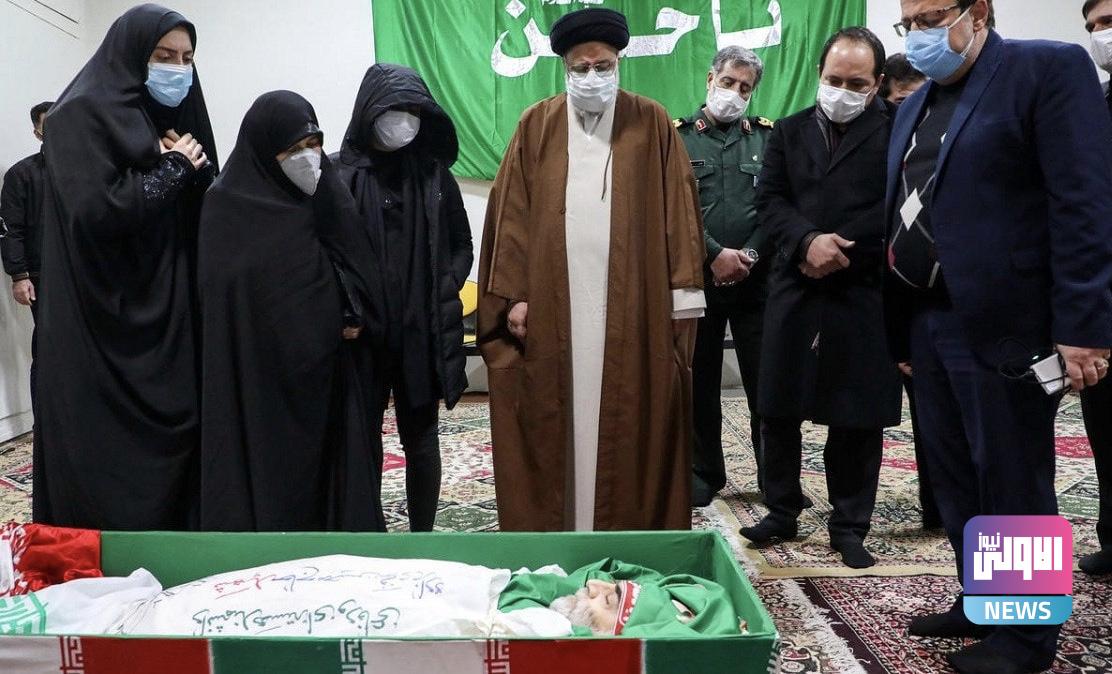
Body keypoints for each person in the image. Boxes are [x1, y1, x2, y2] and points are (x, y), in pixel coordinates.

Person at [886, 1, 1112, 671]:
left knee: (1011, 475)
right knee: (954, 475)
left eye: (930, 16)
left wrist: (1084, 324)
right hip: (928, 321)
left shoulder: (1045, 71)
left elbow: (1083, 200)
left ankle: (1025, 636)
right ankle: (984, 599)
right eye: (908, 23)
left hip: (1008, 322)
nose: (919, 34)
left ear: (978, 11)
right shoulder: (914, 104)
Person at [477, 7, 706, 531]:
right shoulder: (536, 125)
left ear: (619, 63)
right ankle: (560, 533)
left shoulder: (651, 121)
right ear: (564, 69)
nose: (592, 77)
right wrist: (514, 296)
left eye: (602, 66)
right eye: (580, 68)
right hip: (553, 304)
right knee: (556, 416)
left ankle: (624, 533)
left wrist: (682, 297)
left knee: (633, 413)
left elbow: (678, 212)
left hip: (634, 304)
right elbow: (511, 216)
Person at [34, 4, 218, 530]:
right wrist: (173, 168)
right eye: (163, 55)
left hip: (166, 313)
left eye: (186, 58)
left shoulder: (167, 118)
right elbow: (96, 213)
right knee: (104, 449)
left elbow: (202, 199)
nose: (177, 68)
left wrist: (187, 171)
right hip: (100, 319)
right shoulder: (79, 115)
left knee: (182, 428)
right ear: (132, 53)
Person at [739, 27, 902, 570]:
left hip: (862, 285)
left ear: (877, 82)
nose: (842, 91)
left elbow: (899, 204)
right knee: (777, 404)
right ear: (818, 74)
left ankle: (849, 525)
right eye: (834, 80)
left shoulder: (898, 130)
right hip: (795, 281)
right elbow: (770, 200)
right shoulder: (788, 130)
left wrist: (839, 248)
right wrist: (807, 240)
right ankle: (781, 510)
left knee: (856, 412)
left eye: (856, 83)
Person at [197, 91, 385, 533]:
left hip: (326, 370)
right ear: (265, 150)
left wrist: (352, 308)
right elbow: (222, 295)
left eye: (314, 144)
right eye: (293, 149)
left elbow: (358, 263)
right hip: (256, 376)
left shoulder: (326, 192)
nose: (308, 157)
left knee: (329, 472)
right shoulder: (226, 204)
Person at [334, 64, 473, 532]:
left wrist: (445, 284)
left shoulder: (434, 175)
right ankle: (369, 533)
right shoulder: (340, 175)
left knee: (422, 439)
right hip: (362, 337)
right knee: (362, 441)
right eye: (395, 109)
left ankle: (422, 537)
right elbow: (324, 250)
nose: (404, 119)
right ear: (370, 112)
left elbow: (461, 243)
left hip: (421, 331)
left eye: (414, 109)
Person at [676, 46, 773, 507]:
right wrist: (715, 254)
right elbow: (674, 210)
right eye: (728, 82)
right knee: (701, 381)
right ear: (710, 79)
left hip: (757, 282)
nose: (734, 93)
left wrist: (747, 254)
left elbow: (774, 205)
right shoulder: (677, 139)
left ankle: (775, 477)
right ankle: (704, 473)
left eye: (745, 87)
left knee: (766, 383)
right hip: (698, 281)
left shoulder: (767, 139)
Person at [1080, 0, 1112, 577]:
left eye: (1107, 21)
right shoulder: (1096, 103)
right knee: (1105, 427)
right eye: (1092, 27)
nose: (1099, 35)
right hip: (1101, 293)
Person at [0, 101, 52, 410]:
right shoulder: (22, 175)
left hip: (85, 273)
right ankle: (43, 421)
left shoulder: (87, 168)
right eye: (49, 126)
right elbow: (11, 229)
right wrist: (19, 276)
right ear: (37, 133)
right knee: (48, 348)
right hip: (43, 275)